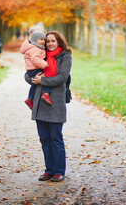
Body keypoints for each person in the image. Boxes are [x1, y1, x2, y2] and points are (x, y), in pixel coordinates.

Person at [25, 30, 72, 183]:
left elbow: (62, 77)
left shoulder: (65, 57)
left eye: (53, 41)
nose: (50, 43)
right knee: (44, 139)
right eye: (47, 41)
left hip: (55, 103)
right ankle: (49, 170)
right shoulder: (40, 53)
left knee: (55, 138)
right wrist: (33, 78)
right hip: (40, 102)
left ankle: (59, 171)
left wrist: (42, 82)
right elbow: (28, 73)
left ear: (59, 42)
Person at [20, 31, 52, 109]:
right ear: (35, 40)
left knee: (35, 85)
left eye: (44, 40)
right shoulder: (35, 49)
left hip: (32, 70)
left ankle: (29, 99)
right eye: (41, 39)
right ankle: (46, 94)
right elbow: (35, 59)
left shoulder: (35, 48)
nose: (43, 41)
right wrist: (44, 64)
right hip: (35, 69)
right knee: (45, 77)